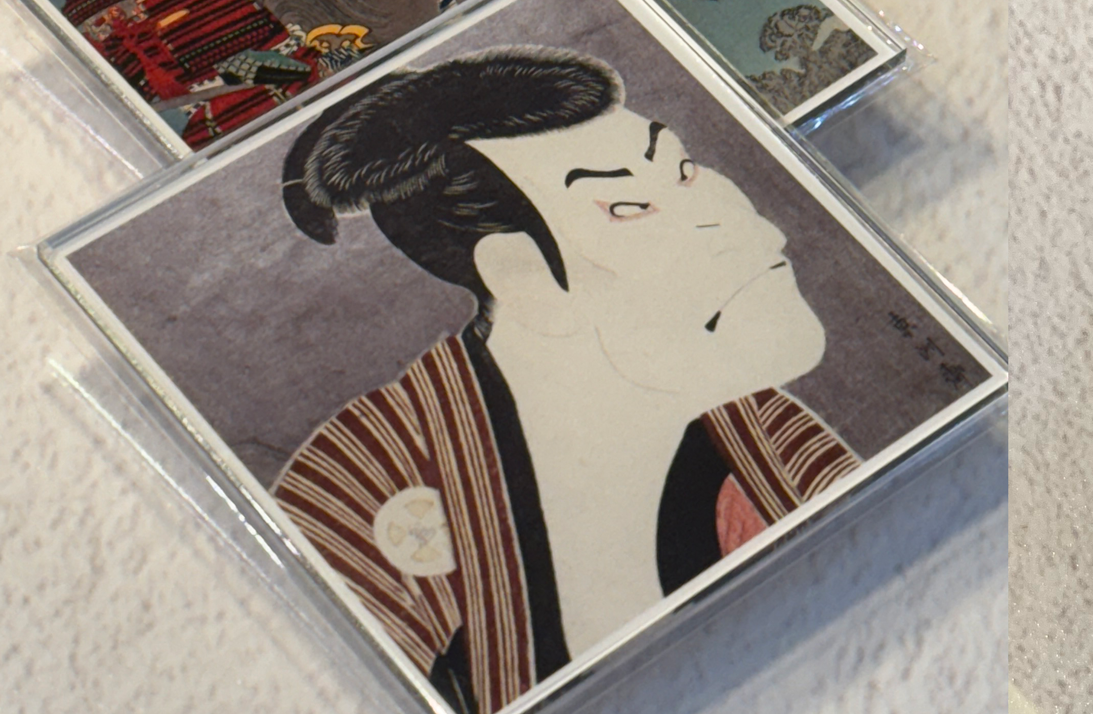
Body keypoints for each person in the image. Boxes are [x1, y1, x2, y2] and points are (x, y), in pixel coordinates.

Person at [273, 47, 854, 714]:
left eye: (684, 171)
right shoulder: (365, 480)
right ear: (522, 277)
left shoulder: (764, 435)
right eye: (629, 206)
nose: (731, 218)